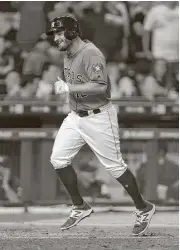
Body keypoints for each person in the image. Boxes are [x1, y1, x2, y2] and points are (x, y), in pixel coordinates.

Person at [46, 15, 155, 236]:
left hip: (99, 117)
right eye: (54, 34)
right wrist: (66, 87)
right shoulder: (68, 53)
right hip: (76, 116)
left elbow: (99, 86)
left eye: (59, 33)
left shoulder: (91, 53)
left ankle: (144, 208)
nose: (56, 38)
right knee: (58, 159)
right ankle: (80, 206)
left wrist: (67, 88)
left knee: (115, 167)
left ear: (71, 32)